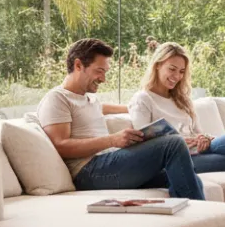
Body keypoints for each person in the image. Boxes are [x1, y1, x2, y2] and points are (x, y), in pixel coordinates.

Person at [37, 38, 204, 199]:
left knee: (185, 175)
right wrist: (112, 140)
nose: (103, 79)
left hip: (109, 164)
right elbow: (61, 145)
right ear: (78, 65)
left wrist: (148, 106)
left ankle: (185, 224)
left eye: (105, 72)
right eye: (99, 71)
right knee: (173, 143)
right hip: (88, 172)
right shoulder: (57, 98)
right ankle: (201, 217)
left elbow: (116, 108)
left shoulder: (90, 99)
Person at [128, 42, 225, 197]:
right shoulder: (143, 99)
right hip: (177, 159)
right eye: (172, 69)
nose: (176, 76)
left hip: (198, 151)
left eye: (181, 71)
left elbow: (198, 132)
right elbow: (146, 146)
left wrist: (203, 138)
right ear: (157, 65)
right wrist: (181, 142)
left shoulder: (181, 99)